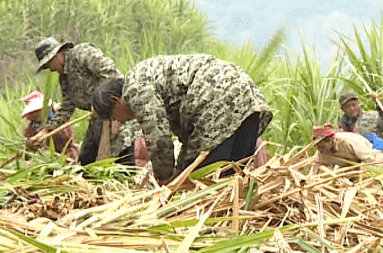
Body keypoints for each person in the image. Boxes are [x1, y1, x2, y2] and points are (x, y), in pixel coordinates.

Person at [92, 54, 272, 184]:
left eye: (112, 117)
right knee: (234, 181)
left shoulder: (134, 88)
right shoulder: (147, 78)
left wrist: (164, 179)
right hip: (247, 97)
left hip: (219, 100)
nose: (119, 122)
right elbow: (190, 141)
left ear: (115, 100)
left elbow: (158, 137)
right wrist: (179, 170)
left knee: (210, 182)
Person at [32, 37, 139, 166]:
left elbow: (112, 74)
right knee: (86, 161)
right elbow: (66, 108)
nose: (50, 69)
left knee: (122, 158)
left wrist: (100, 100)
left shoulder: (82, 54)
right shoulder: (64, 79)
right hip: (98, 119)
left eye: (48, 64)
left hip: (117, 114)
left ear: (56, 55)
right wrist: (47, 130)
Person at [21, 90, 79, 161]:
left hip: (65, 154)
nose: (36, 114)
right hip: (44, 156)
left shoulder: (59, 120)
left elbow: (66, 138)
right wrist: (31, 143)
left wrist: (48, 133)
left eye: (38, 111)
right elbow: (27, 142)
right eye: (33, 112)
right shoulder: (31, 127)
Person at [337, 91, 383, 155]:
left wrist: (380, 102)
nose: (352, 108)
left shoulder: (370, 116)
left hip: (377, 153)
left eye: (354, 105)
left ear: (358, 104)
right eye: (347, 106)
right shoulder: (341, 127)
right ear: (343, 109)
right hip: (355, 157)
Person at [312, 124, 383, 170]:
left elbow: (369, 159)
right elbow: (315, 168)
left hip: (374, 161)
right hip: (353, 167)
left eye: (322, 147)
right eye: (318, 148)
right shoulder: (321, 154)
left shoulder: (348, 141)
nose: (320, 150)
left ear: (330, 141)